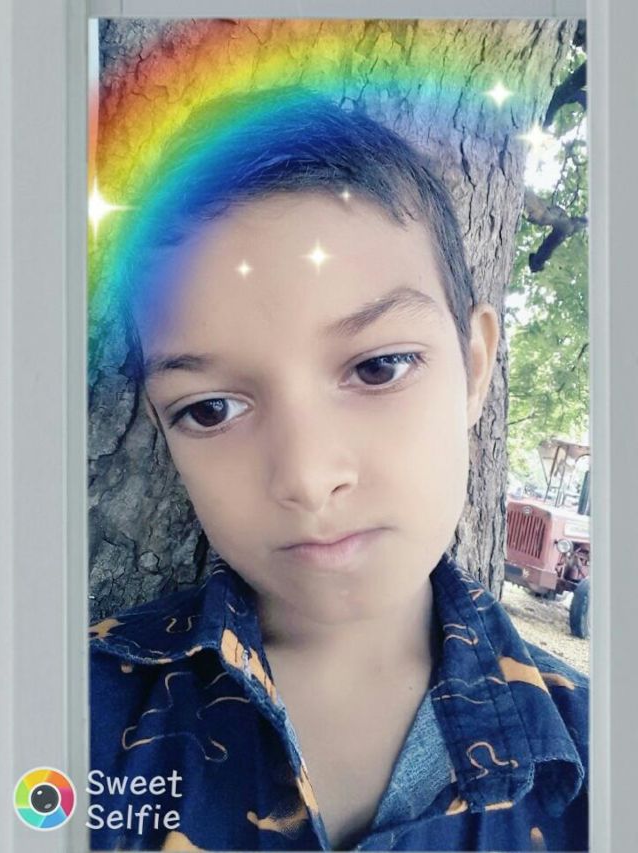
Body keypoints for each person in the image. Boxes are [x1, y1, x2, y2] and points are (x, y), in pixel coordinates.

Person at [89, 88, 588, 852]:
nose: (307, 476)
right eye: (211, 409)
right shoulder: (63, 711)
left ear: (475, 366)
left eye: (379, 366)